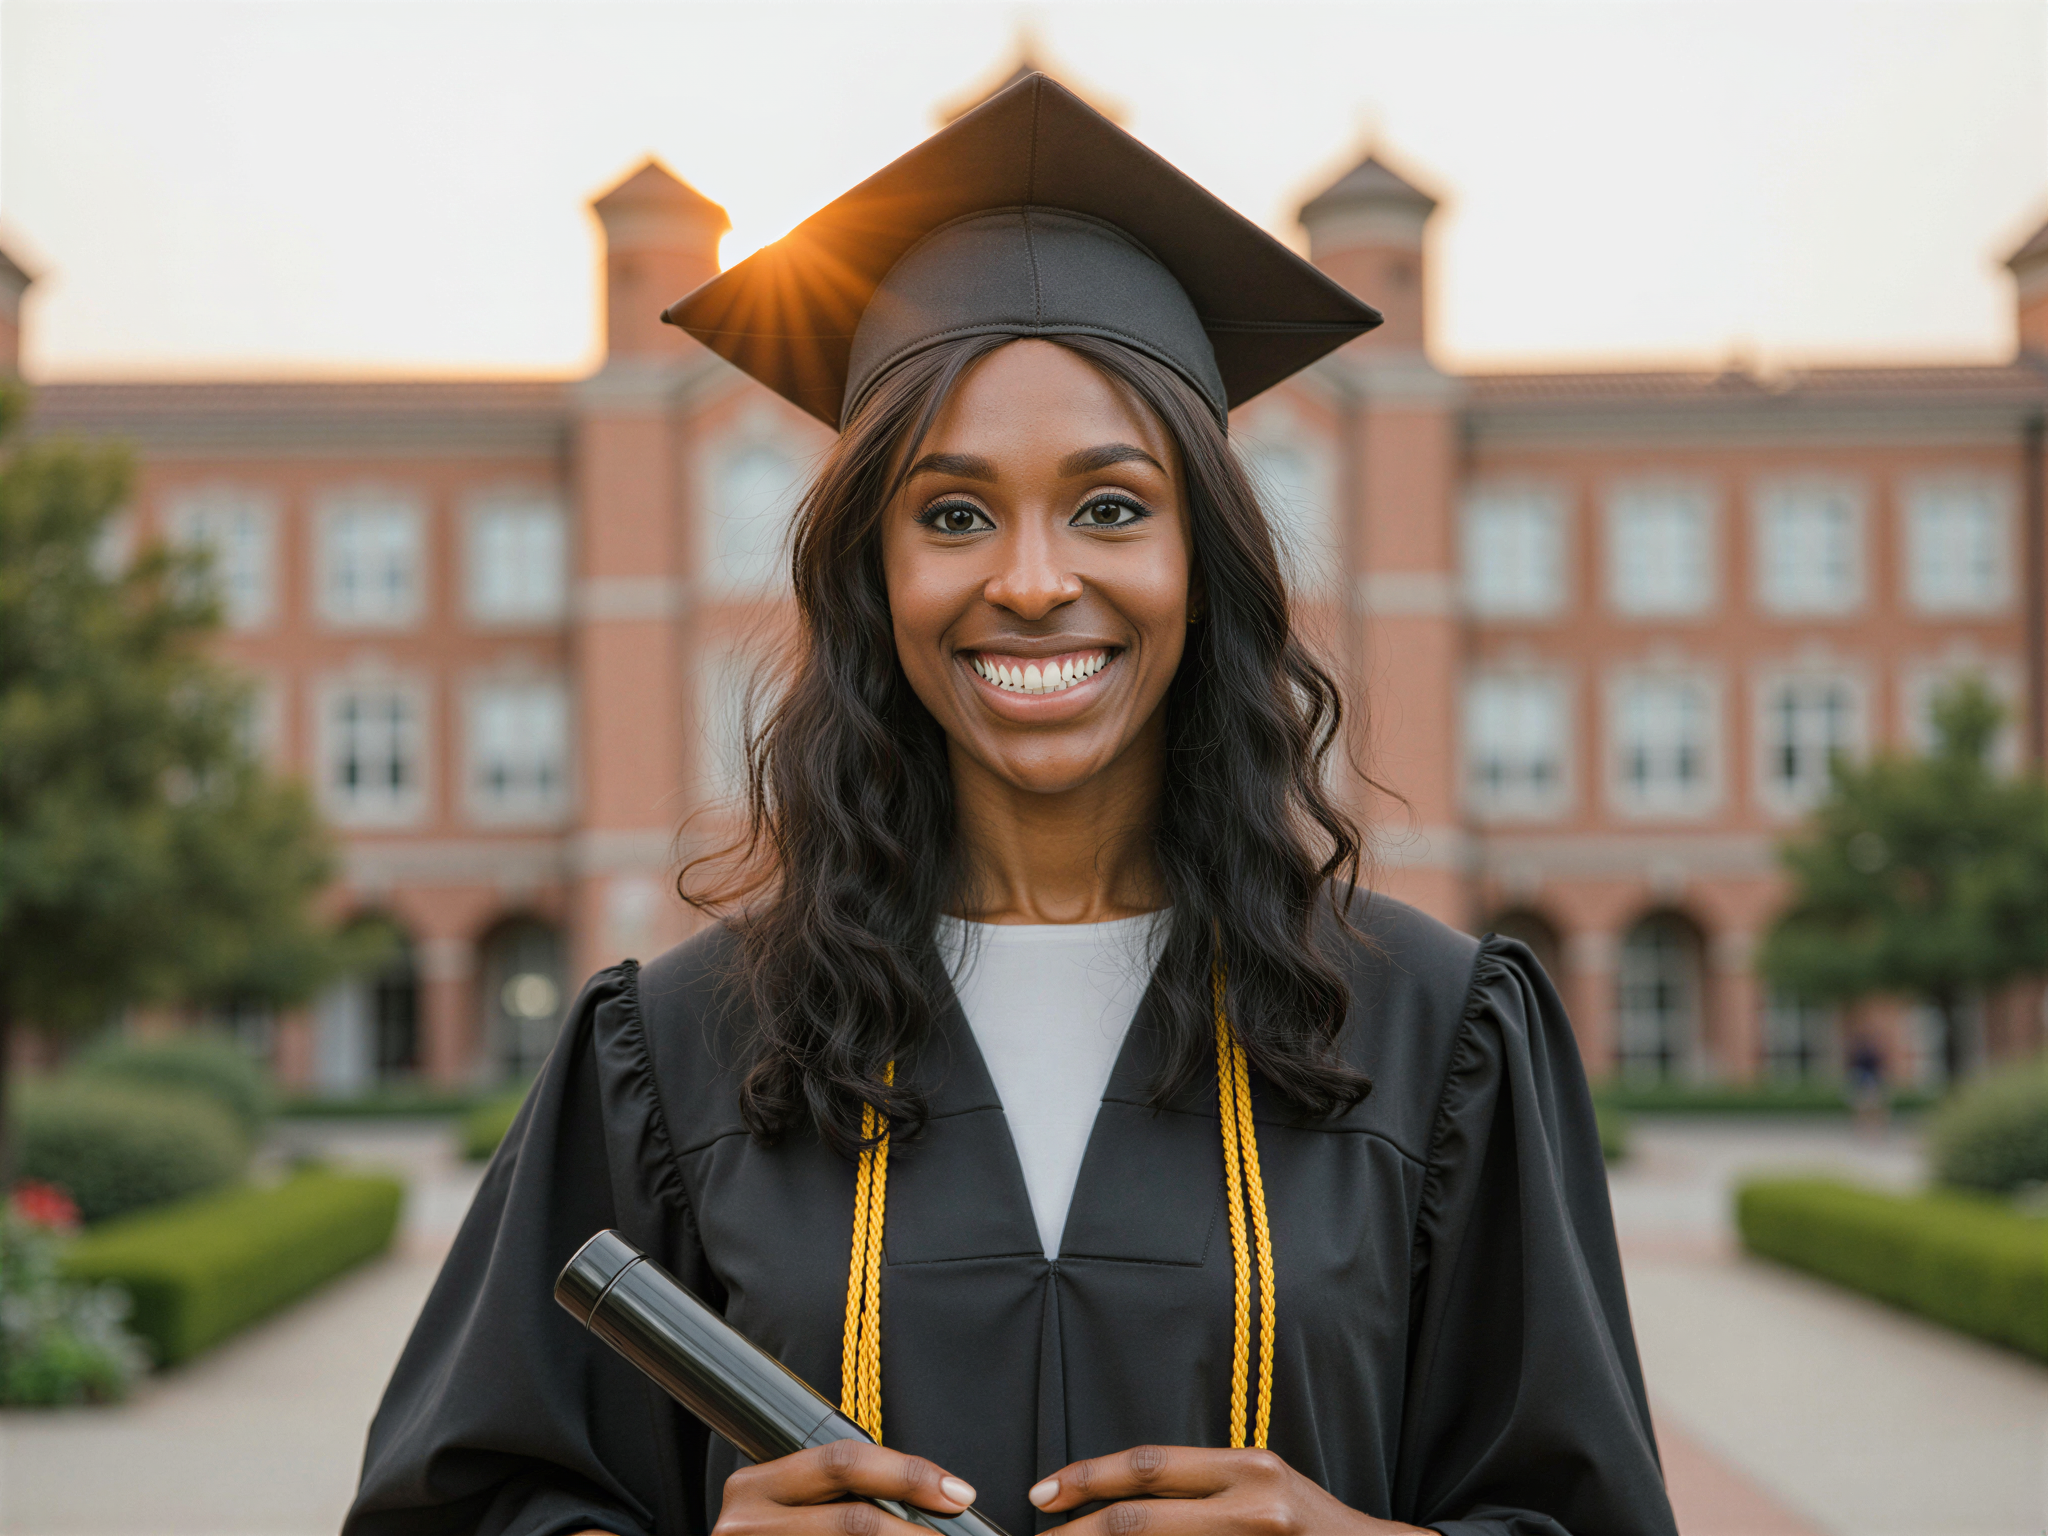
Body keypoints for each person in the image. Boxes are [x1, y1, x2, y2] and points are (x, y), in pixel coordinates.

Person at [345, 75, 1676, 1536]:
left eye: (1111, 506)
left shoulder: (1433, 1030)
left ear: (1204, 566)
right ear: (874, 578)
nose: (1033, 580)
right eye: (954, 513)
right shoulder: (676, 1050)